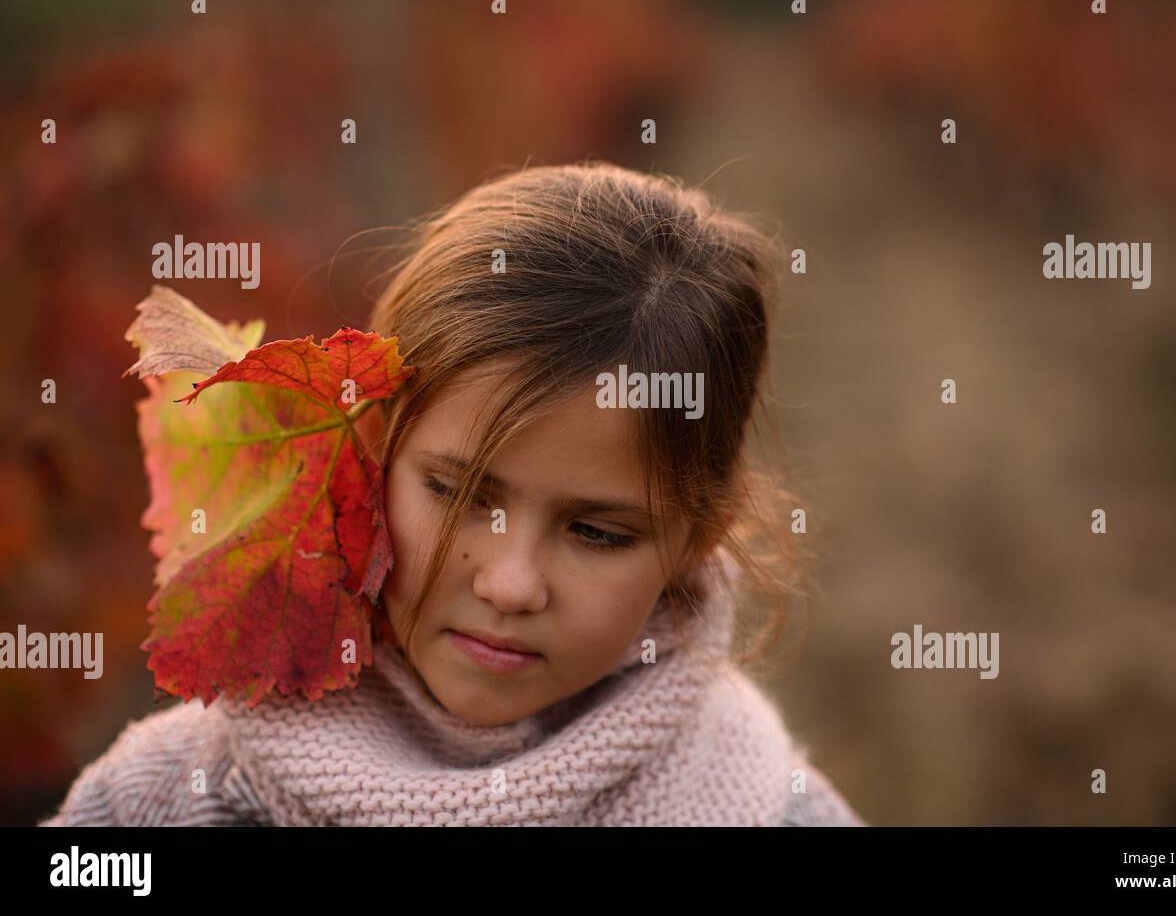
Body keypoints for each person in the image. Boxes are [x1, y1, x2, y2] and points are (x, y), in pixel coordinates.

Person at [40, 161, 865, 826]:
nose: (509, 584)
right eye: (457, 491)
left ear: (699, 538)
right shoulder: (159, 804)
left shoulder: (774, 813)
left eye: (599, 534)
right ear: (366, 449)